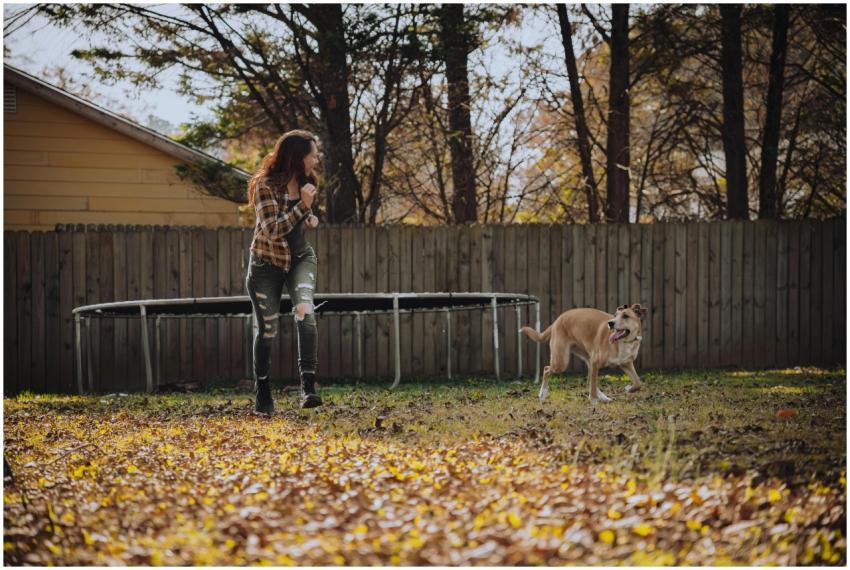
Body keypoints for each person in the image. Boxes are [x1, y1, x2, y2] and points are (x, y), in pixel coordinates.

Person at [245, 130, 323, 413]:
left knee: (305, 311)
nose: (316, 159)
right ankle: (263, 391)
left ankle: (308, 387)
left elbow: (303, 218)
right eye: (312, 154)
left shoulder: (308, 182)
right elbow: (273, 230)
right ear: (296, 156)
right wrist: (303, 206)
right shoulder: (265, 186)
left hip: (301, 258)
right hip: (267, 264)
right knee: (268, 330)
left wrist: (310, 216)